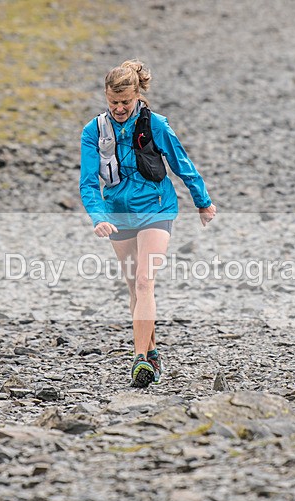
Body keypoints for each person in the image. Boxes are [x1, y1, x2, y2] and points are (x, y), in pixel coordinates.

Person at [79, 59, 216, 388]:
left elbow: (182, 164)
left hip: (157, 208)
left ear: (137, 96)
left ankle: (139, 357)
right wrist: (98, 218)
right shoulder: (93, 131)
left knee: (144, 282)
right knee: (133, 288)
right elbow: (87, 183)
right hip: (117, 213)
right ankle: (152, 352)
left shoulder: (156, 124)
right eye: (113, 102)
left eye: (126, 102)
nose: (120, 108)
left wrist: (203, 202)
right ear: (106, 97)